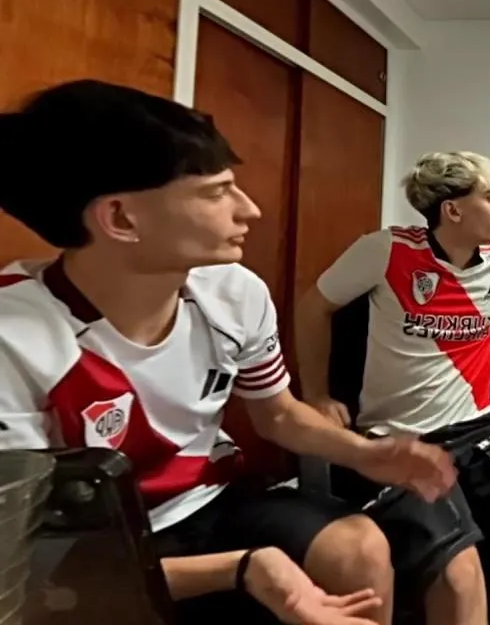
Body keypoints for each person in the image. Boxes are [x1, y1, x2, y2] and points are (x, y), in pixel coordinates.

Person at [0, 80, 457, 625]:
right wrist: (239, 568)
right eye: (217, 193)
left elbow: (277, 414)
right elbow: (25, 559)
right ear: (120, 218)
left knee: (359, 546)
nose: (250, 210)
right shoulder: (15, 336)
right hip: (89, 542)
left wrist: (364, 453)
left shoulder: (234, 292)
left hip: (211, 499)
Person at [294, 151, 490, 625]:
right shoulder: (385, 250)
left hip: (480, 424)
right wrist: (317, 396)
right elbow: (312, 308)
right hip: (399, 436)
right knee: (460, 575)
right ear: (453, 210)